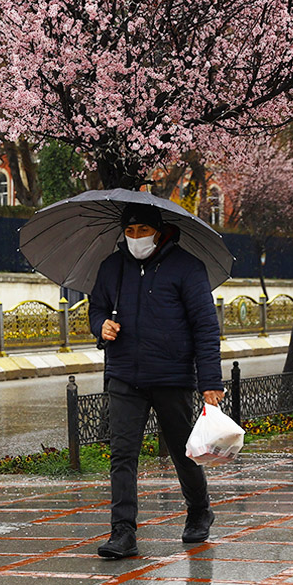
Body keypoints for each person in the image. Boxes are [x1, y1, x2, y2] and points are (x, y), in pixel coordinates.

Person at [89, 202, 225, 559]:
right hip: (124, 376)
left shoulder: (187, 268)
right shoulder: (112, 267)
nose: (136, 238)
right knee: (122, 454)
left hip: (172, 376)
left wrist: (210, 381)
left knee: (184, 451)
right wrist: (101, 326)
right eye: (129, 231)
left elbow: (205, 327)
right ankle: (123, 531)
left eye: (143, 231)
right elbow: (96, 307)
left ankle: (199, 510)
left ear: (158, 231)